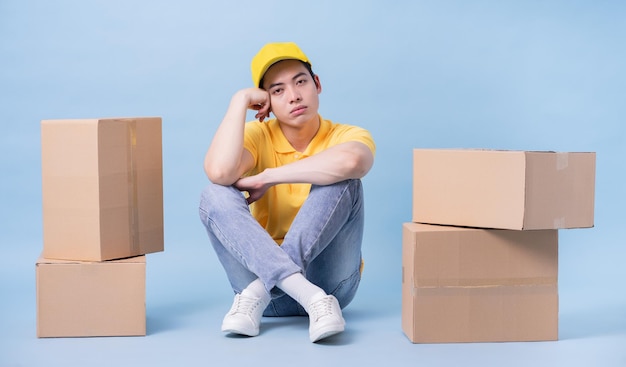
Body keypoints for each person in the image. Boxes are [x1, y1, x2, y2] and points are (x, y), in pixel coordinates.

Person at [198, 42, 375, 343]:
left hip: (330, 284)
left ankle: (271, 290)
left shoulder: (346, 135)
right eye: (277, 91)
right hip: (273, 300)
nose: (293, 96)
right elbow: (219, 172)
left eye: (301, 82)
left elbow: (353, 161)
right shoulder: (257, 135)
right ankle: (306, 295)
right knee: (213, 194)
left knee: (345, 179)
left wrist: (269, 177)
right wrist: (239, 100)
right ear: (264, 103)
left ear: (317, 84)